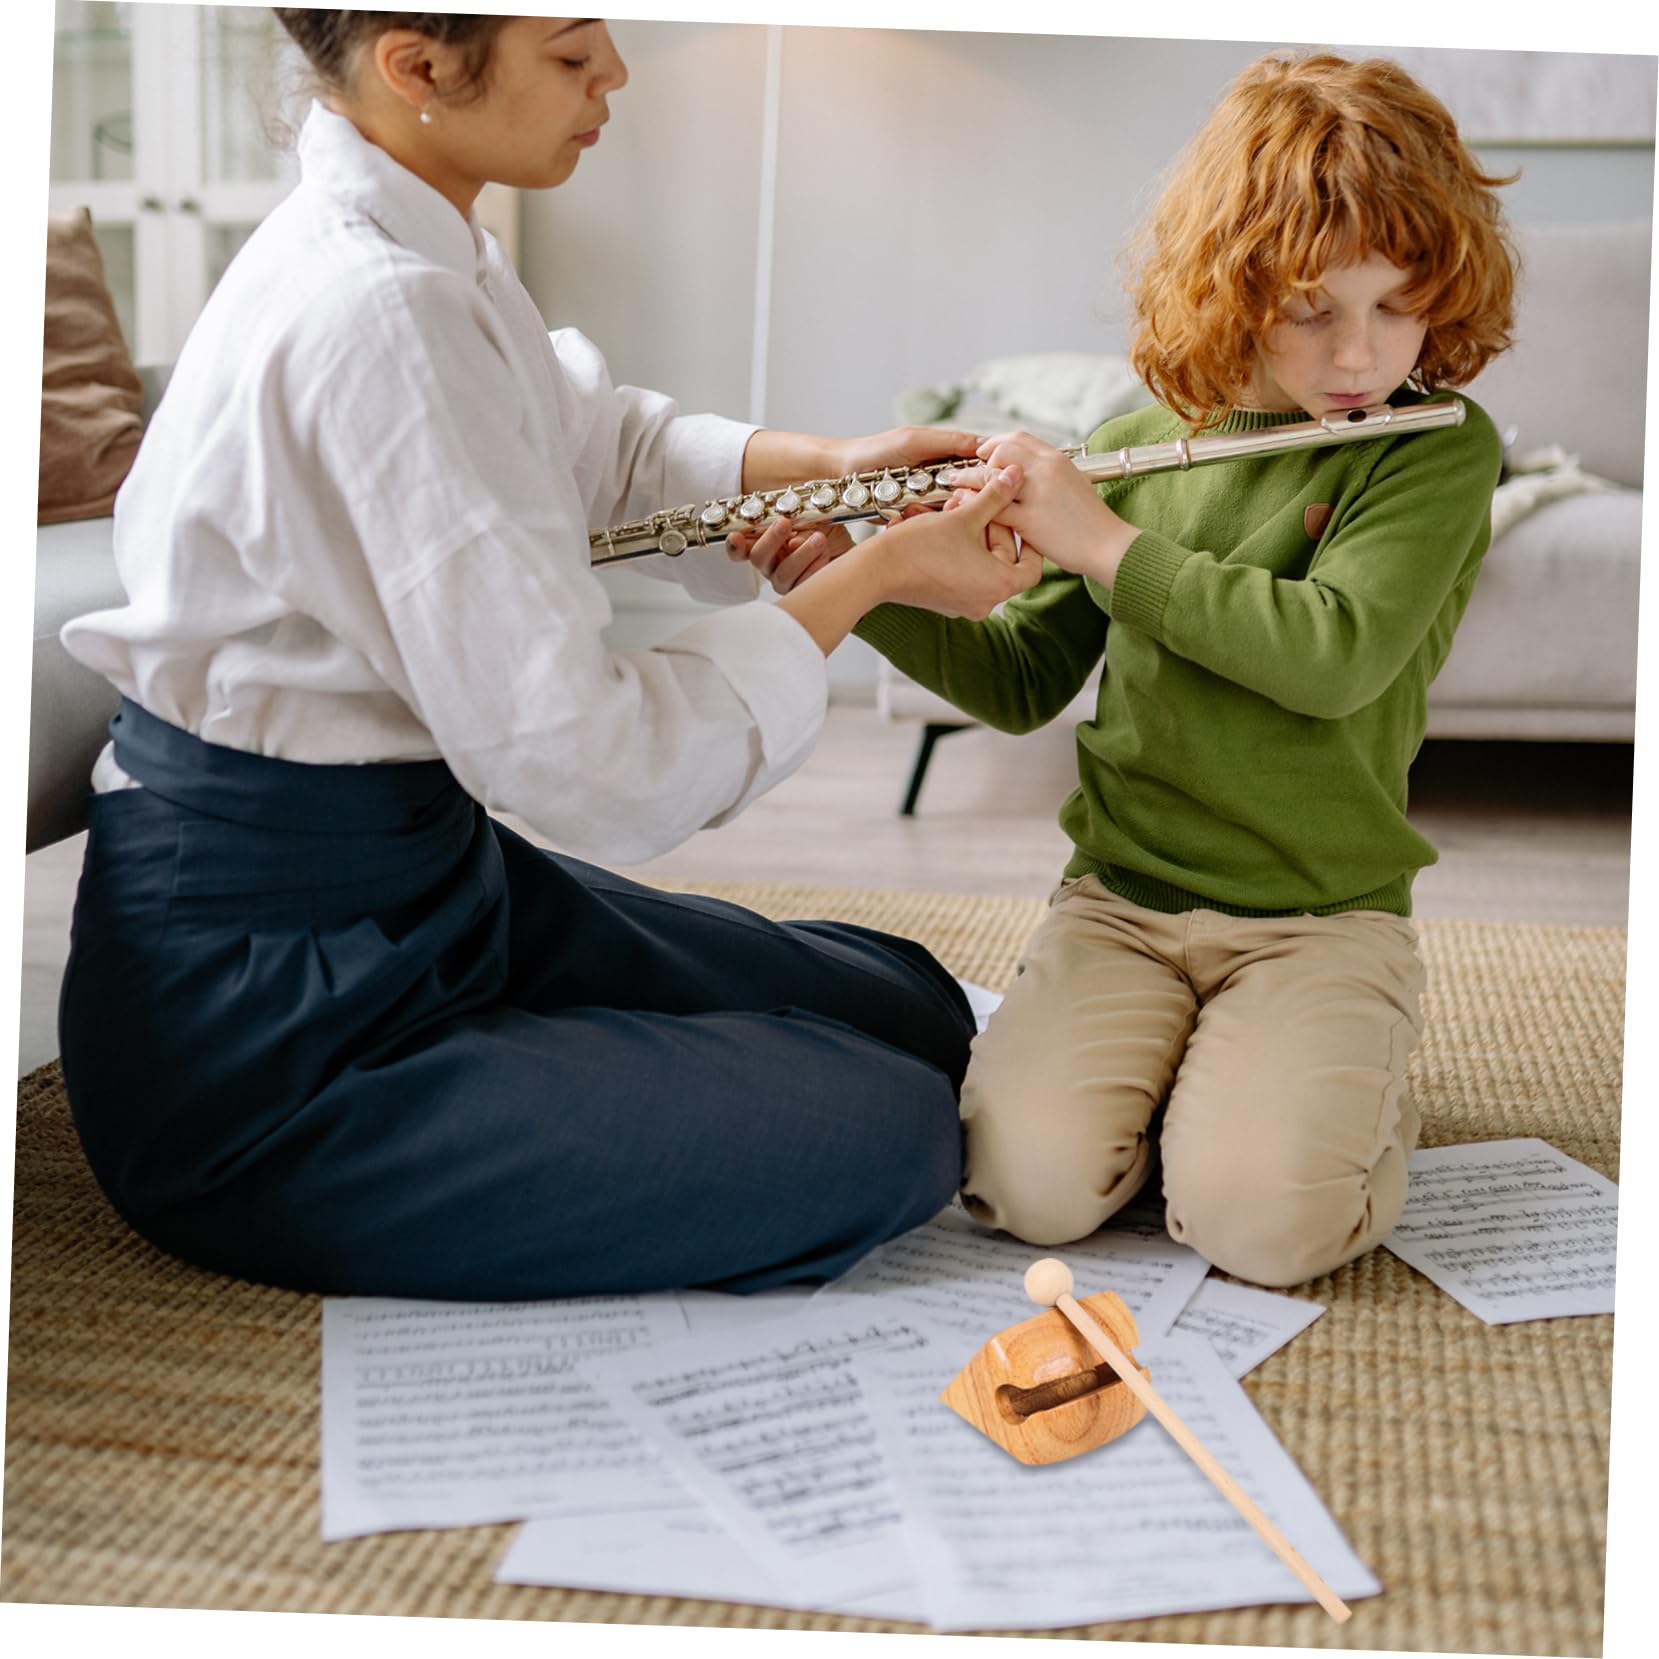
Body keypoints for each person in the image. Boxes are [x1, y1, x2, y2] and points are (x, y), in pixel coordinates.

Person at [54, 13, 1041, 1301]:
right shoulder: (374, 312)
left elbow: (584, 445)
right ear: (415, 67)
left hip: (428, 893)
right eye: (574, 54)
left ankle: (544, 1055)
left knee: (912, 1007)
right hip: (271, 1022)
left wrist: (830, 471)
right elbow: (591, 763)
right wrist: (882, 576)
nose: (616, 77)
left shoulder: (429, 237)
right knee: (887, 1127)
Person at [743, 51, 1518, 1288]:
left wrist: (1099, 539)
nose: (1361, 353)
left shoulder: (1433, 449)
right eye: (1314, 309)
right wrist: (852, 573)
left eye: (1398, 303)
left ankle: (1320, 1093)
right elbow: (1020, 683)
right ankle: (1210, 1087)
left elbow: (1332, 660)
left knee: (1265, 1228)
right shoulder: (1135, 446)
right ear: (1235, 286)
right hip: (1123, 900)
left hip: (1318, 918)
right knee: (1022, 1189)